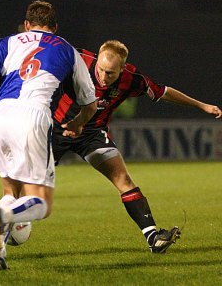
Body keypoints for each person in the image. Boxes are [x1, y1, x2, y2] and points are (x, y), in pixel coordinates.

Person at [51, 40, 222, 253]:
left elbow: (163, 92)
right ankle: (6, 227)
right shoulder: (77, 60)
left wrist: (201, 105)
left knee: (124, 179)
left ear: (122, 69)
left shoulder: (131, 79)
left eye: (110, 73)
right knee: (32, 186)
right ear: (97, 59)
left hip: (92, 134)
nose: (103, 78)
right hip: (57, 129)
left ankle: (153, 238)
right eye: (101, 70)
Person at [0, 0, 97, 270]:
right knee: (43, 204)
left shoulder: (6, 43)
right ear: (55, 28)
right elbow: (90, 104)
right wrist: (78, 122)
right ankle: (3, 214)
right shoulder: (67, 50)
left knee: (10, 189)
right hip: (33, 115)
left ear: (27, 24)